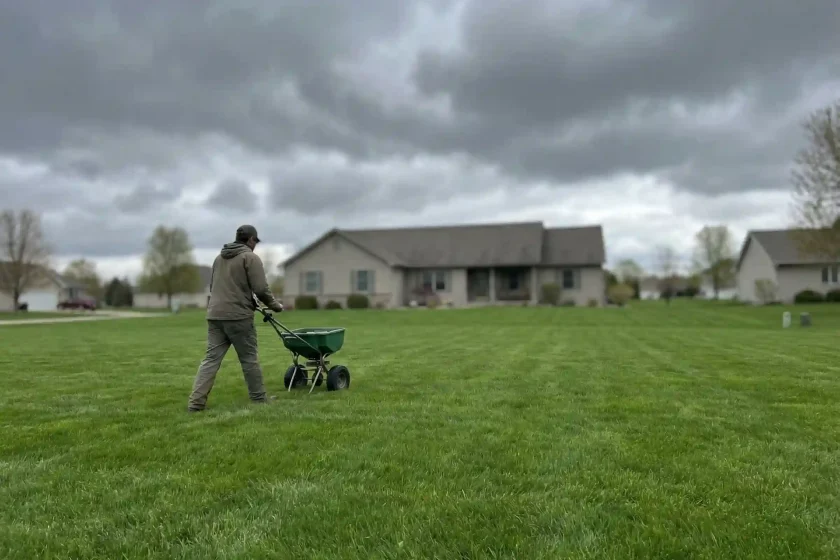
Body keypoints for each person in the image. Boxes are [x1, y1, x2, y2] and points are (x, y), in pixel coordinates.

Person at [187, 225, 284, 412]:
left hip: (215, 315)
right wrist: (275, 306)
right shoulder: (250, 257)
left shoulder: (219, 258)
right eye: (255, 241)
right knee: (249, 359)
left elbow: (214, 287)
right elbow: (261, 288)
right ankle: (259, 399)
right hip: (238, 316)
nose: (255, 245)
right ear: (250, 240)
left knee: (211, 360)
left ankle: (195, 403)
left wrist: (250, 300)